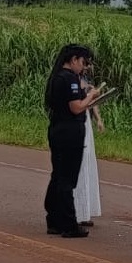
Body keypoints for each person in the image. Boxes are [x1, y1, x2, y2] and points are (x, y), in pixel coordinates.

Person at [44, 44, 100, 238]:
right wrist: (91, 96)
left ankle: (54, 219)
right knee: (67, 178)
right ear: (74, 59)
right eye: (83, 62)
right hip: (70, 132)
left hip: (58, 129)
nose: (84, 67)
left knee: (58, 176)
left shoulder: (57, 77)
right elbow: (76, 107)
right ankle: (69, 224)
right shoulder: (70, 79)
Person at [73, 68, 104, 228]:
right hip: (76, 122)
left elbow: (91, 102)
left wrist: (98, 119)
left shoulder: (84, 79)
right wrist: (91, 94)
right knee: (80, 165)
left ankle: (85, 211)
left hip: (85, 120)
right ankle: (77, 212)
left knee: (88, 164)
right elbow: (79, 103)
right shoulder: (70, 80)